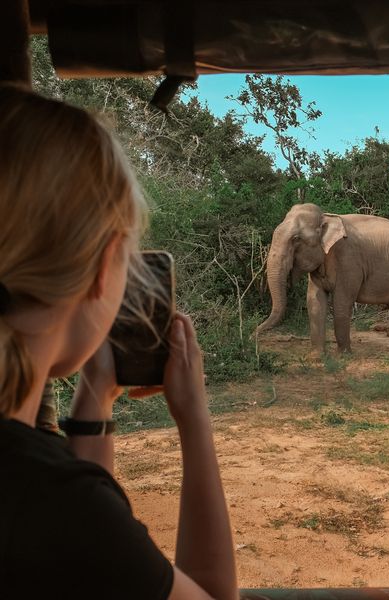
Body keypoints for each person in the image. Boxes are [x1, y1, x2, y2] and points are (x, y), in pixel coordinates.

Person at [0, 84, 238, 599]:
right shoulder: (50, 505)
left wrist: (96, 399)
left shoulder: (47, 493)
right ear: (103, 271)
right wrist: (195, 420)